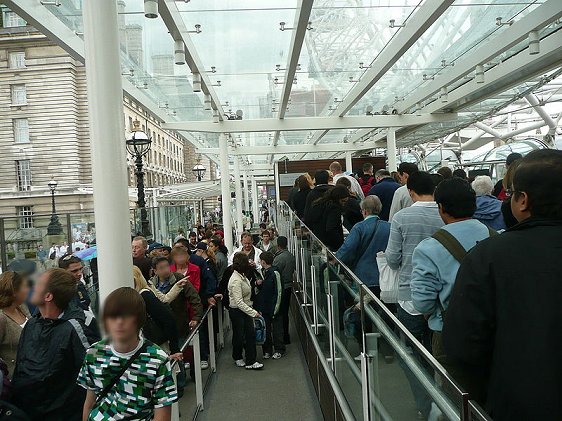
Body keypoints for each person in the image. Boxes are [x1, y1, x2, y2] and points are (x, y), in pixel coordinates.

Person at [442, 150, 562, 420]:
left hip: (521, 402)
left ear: (522, 201)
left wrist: (491, 395)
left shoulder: (488, 256)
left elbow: (462, 347)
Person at [410, 178, 496, 361]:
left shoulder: (428, 249)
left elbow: (422, 303)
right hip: (495, 331)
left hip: (450, 333)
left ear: (440, 207)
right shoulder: (496, 238)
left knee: (451, 388)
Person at [385, 171, 444, 419]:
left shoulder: (401, 217)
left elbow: (393, 259)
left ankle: (426, 402)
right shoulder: (446, 214)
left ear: (410, 192)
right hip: (442, 297)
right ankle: (447, 400)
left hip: (409, 297)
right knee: (439, 352)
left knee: (410, 354)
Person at [78, 287, 177, 421]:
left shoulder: (157, 360)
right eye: (113, 316)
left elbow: (163, 416)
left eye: (126, 316)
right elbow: (89, 404)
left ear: (139, 319)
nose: (119, 322)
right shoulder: (94, 353)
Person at [12, 269, 90, 421]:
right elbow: (21, 364)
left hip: (61, 414)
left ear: (48, 296)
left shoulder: (74, 328)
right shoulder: (33, 323)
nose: (33, 286)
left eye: (39, 283)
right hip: (27, 412)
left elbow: (90, 375)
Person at [336, 196, 390, 290]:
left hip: (363, 275)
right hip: (385, 276)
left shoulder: (359, 227)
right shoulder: (389, 227)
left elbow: (348, 248)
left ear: (364, 211)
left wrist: (336, 258)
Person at [228, 253, 263, 370]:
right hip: (239, 311)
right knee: (243, 335)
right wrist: (253, 312)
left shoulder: (240, 276)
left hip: (243, 310)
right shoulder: (236, 281)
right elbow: (239, 302)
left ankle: (247, 359)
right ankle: (246, 359)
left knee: (247, 335)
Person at [59, 255, 101, 343]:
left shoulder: (80, 285)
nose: (79, 273)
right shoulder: (59, 294)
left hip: (91, 331)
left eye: (80, 269)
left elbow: (86, 306)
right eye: (74, 271)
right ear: (62, 272)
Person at [0, 272, 31, 378]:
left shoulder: (22, 307)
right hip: (12, 378)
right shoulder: (2, 318)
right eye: (25, 286)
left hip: (30, 373)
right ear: (14, 291)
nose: (28, 289)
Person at [256, 252, 284, 359]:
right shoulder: (266, 272)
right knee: (266, 329)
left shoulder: (274, 273)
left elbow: (279, 291)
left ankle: (278, 349)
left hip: (273, 308)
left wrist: (276, 308)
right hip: (266, 307)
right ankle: (267, 350)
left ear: (263, 261)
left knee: (276, 329)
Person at [308, 185, 350, 251]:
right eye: (343, 201)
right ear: (337, 198)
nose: (344, 204)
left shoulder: (319, 204)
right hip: (331, 244)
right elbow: (331, 228)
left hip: (318, 239)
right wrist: (340, 241)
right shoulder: (334, 208)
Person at [273, 236, 296, 344]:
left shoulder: (279, 258)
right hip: (289, 286)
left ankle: (282, 337)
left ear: (278, 245)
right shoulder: (291, 256)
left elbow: (274, 272)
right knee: (285, 312)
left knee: (280, 313)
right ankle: (286, 336)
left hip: (281, 287)